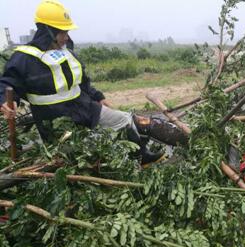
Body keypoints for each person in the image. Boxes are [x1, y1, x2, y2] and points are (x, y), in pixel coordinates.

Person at [0, 0, 185, 165]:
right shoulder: (23, 58)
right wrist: (6, 102)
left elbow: (83, 81)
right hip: (56, 121)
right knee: (84, 154)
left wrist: (98, 97)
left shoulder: (67, 53)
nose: (66, 36)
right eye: (63, 31)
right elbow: (8, 84)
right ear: (47, 31)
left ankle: (141, 158)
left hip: (85, 107)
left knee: (124, 120)